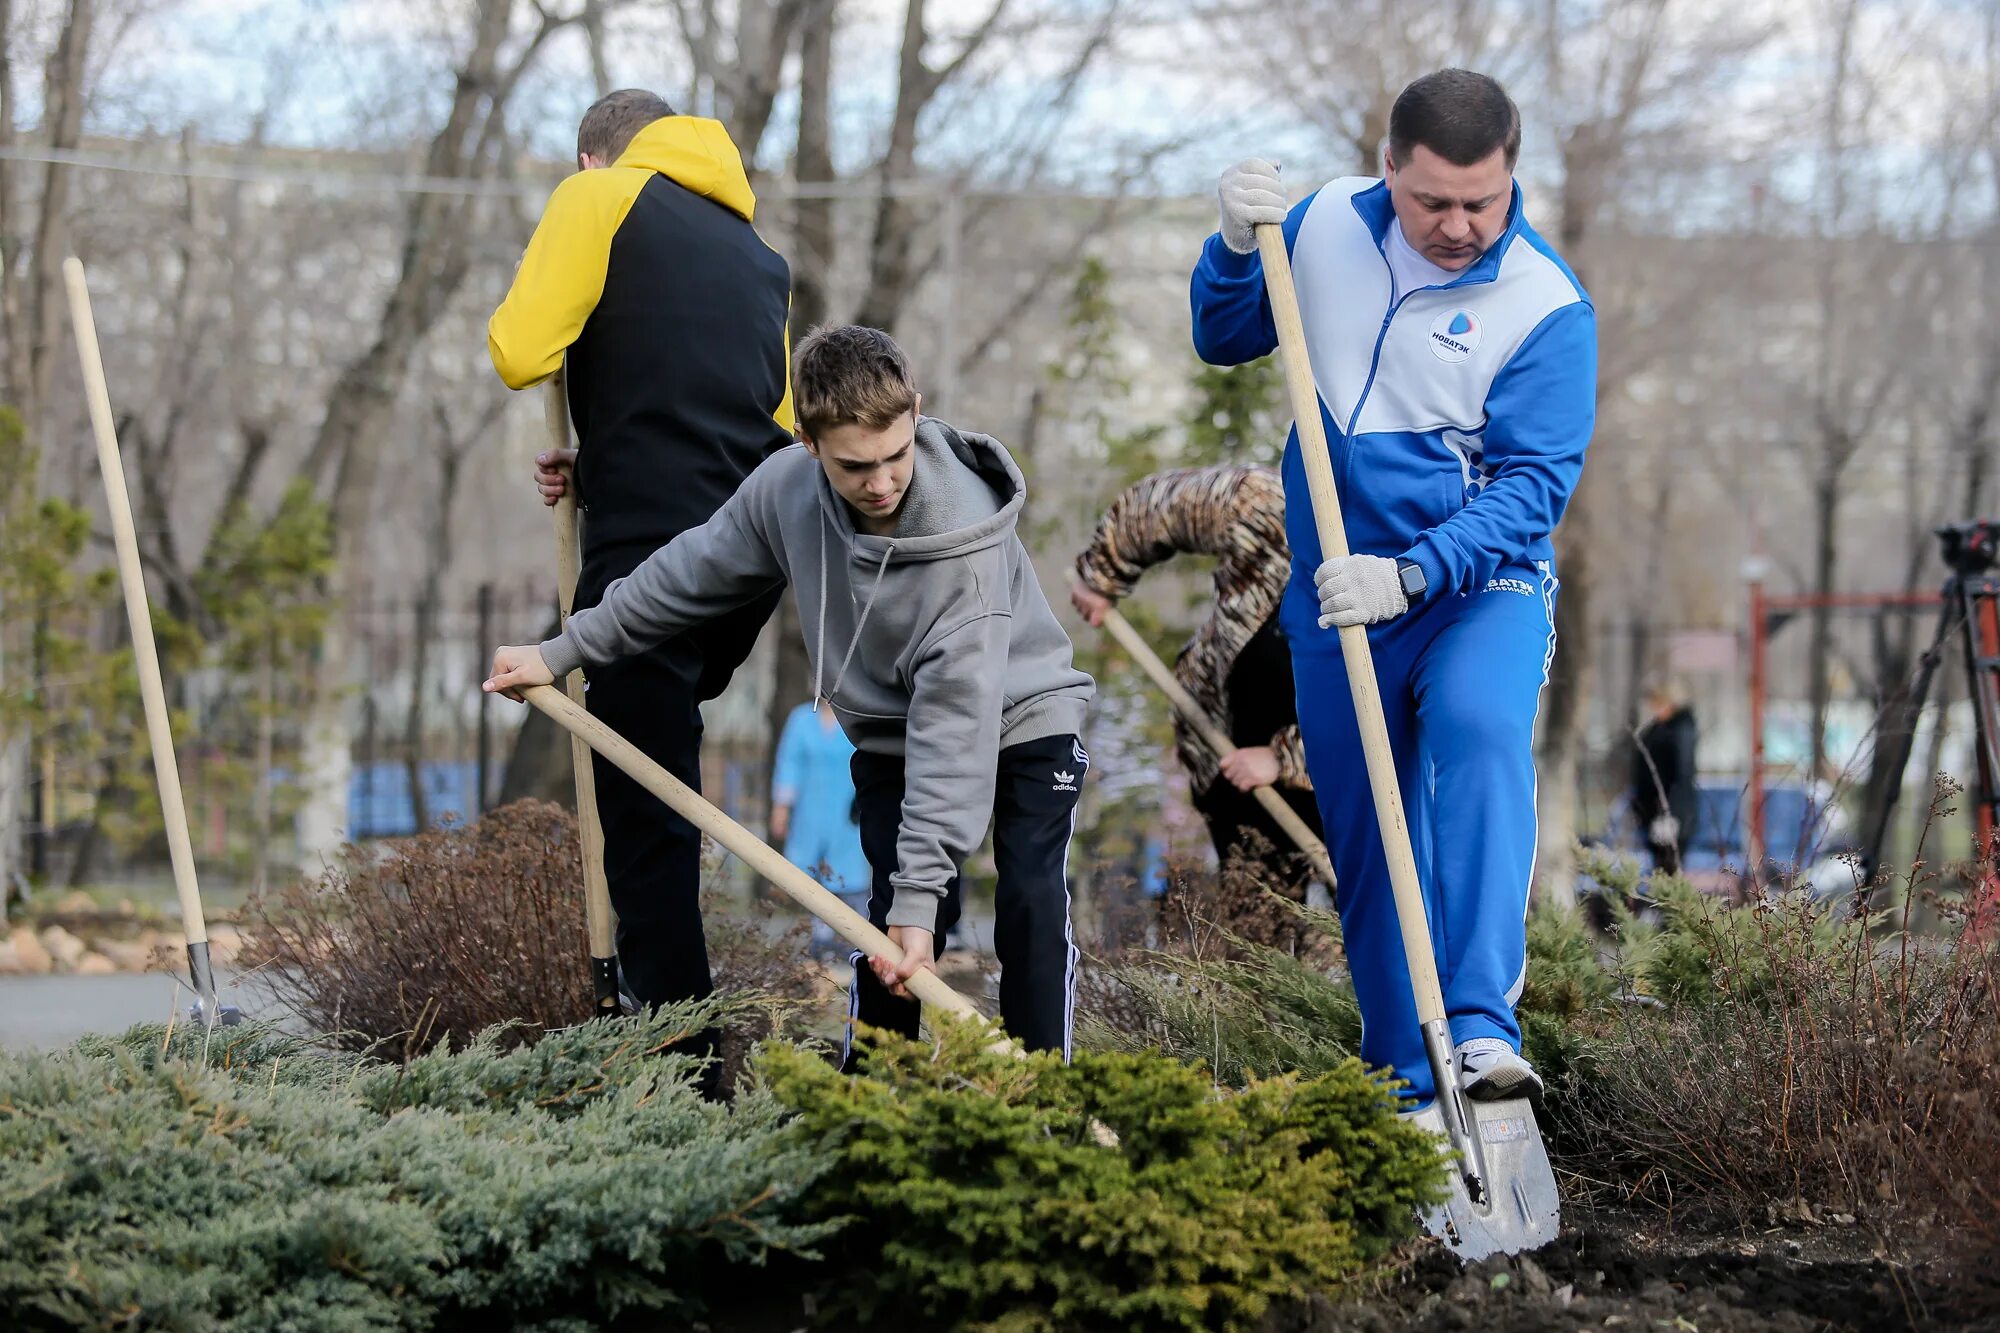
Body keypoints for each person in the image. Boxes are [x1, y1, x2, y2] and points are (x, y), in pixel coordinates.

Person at [485, 326, 1096, 1060]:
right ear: (807, 442)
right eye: (854, 465)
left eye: (896, 454)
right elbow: (681, 577)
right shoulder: (784, 491)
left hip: (1023, 713)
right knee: (888, 934)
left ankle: (1044, 1101)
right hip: (894, 731)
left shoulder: (960, 549)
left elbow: (955, 730)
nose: (881, 481)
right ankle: (871, 1110)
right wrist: (560, 651)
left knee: (1024, 896)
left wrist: (920, 901)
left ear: (917, 414)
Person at [1190, 68, 1597, 1107]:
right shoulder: (1321, 223)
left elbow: (1533, 488)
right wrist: (1234, 248)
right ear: (1385, 170)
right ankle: (1406, 1082)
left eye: (1481, 201)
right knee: (1370, 831)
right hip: (1336, 587)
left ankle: (1477, 1027)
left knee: (1477, 725)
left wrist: (1412, 570)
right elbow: (1222, 334)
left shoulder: (1545, 307)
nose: (1458, 225)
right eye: (1432, 202)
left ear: (1511, 180)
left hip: (1476, 584)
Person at [486, 90, 793, 1029]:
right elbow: (763, 418)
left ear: (594, 159)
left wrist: (629, 469)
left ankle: (677, 1058)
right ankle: (672, 1027)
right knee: (657, 763)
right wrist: (602, 453)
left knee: (644, 809)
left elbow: (519, 348)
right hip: (747, 551)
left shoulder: (598, 196)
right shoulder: (758, 257)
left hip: (647, 554)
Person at [1069, 465, 1324, 901]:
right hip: (1228, 750)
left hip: (1348, 777)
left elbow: (1394, 714)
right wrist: (1101, 574)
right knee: (1257, 921)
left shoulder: (1406, 566)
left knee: (1373, 926)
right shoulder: (1268, 507)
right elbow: (1161, 505)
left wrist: (1286, 759)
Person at [770, 700, 872, 956]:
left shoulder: (856, 715)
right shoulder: (800, 719)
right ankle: (821, 935)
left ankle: (858, 938)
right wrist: (781, 807)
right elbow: (788, 763)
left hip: (848, 811)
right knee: (811, 872)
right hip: (810, 811)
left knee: (849, 874)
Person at [1631, 681, 1698, 876]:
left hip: (1670, 812)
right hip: (1652, 810)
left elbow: (1682, 773)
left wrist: (1671, 814)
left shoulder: (1680, 731)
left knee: (1670, 868)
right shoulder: (1657, 729)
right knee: (1660, 868)